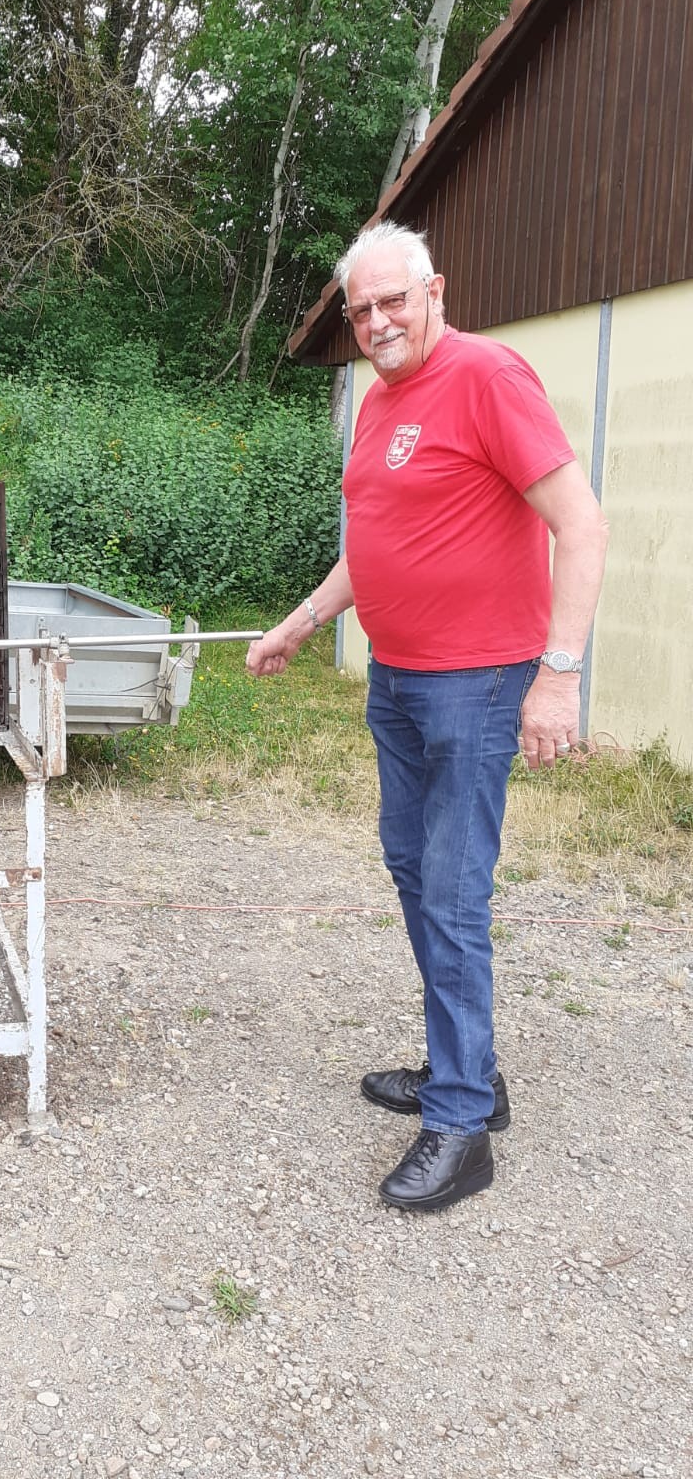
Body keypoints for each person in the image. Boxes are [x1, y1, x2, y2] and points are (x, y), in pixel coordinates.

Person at [247, 221, 608, 1213]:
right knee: (413, 869)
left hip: (477, 684)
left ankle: (460, 1125)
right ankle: (470, 1069)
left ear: (434, 292)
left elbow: (582, 525)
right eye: (361, 310)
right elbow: (375, 544)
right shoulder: (378, 400)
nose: (376, 323)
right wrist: (300, 624)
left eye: (392, 301)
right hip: (398, 683)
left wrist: (559, 677)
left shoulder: (489, 377)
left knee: (450, 892)